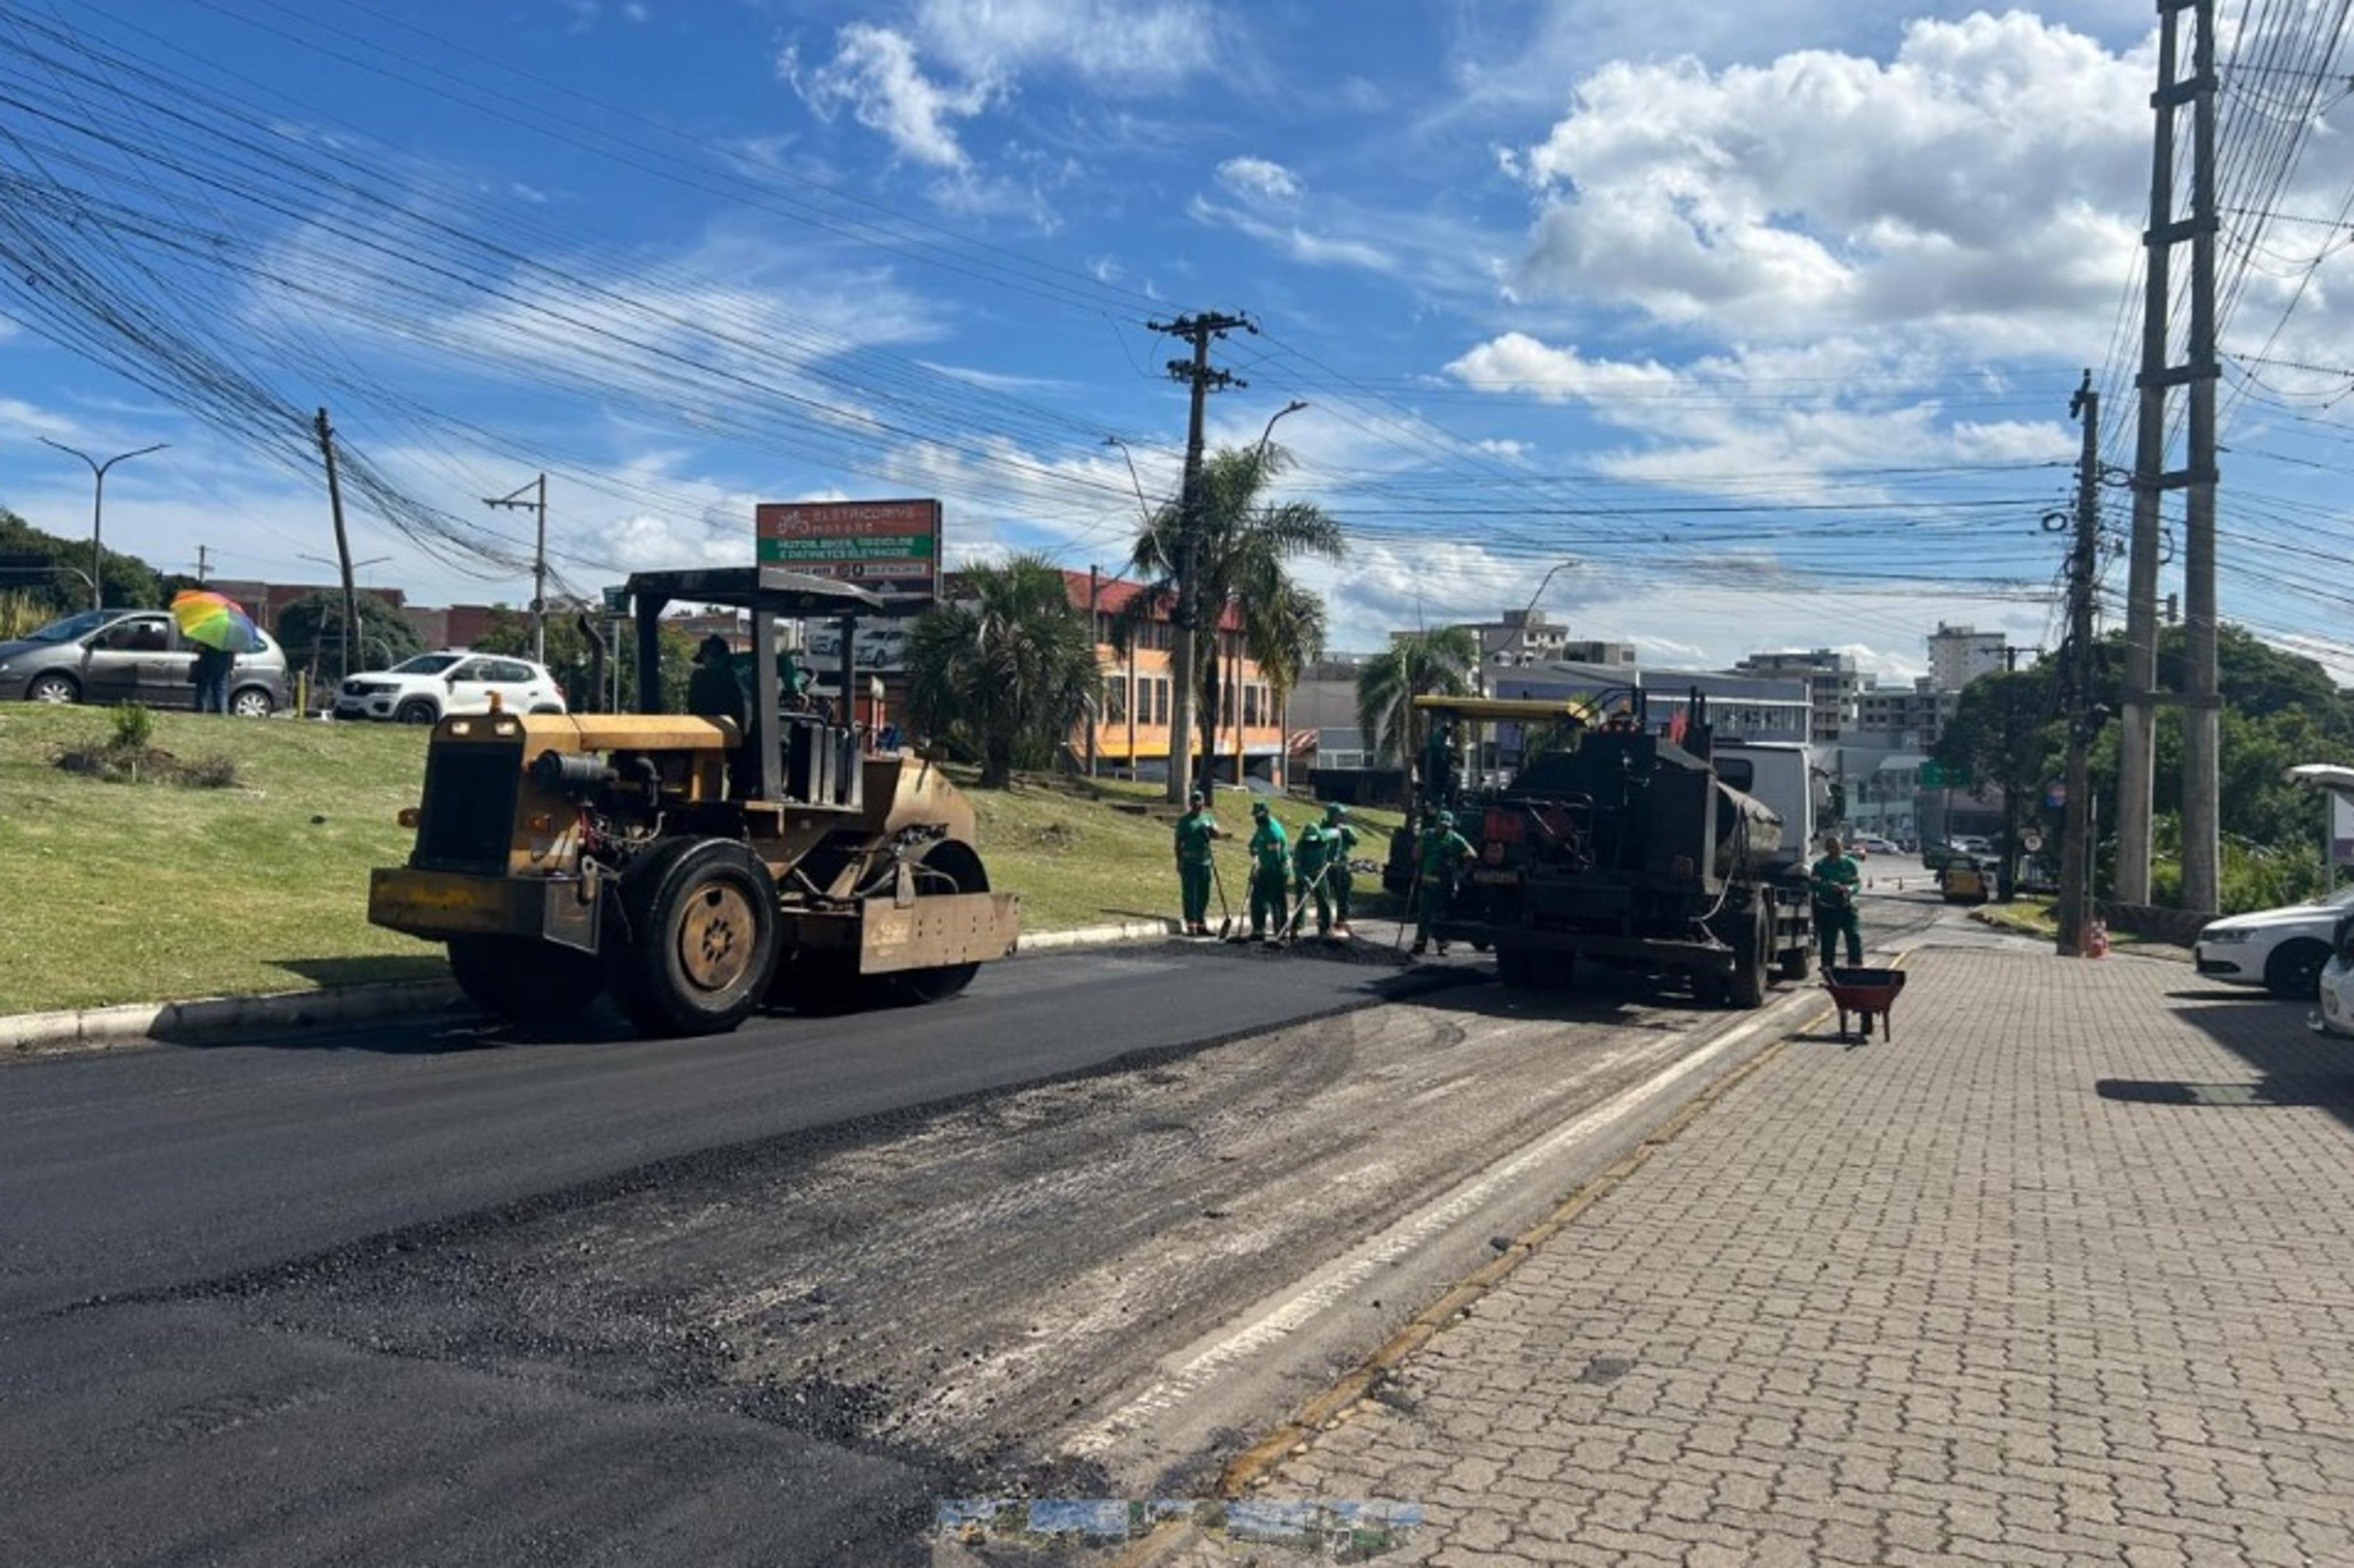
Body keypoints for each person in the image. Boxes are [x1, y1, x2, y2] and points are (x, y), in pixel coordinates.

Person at [1410, 809, 1476, 958]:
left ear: (1451, 826)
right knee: (1423, 915)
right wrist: (1418, 853)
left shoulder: (1455, 839)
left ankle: (1442, 945)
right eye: (1442, 824)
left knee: (1441, 916)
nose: (1444, 827)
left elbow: (1471, 855)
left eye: (1447, 825)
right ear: (1437, 823)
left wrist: (1461, 873)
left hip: (1443, 886)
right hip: (1427, 883)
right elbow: (1416, 854)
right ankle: (1420, 944)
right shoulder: (1427, 835)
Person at [1812, 833, 1864, 971]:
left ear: (1841, 847)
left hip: (1846, 907)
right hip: (1828, 908)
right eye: (1831, 847)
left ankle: (1855, 967)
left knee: (1854, 936)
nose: (1834, 849)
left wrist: (1849, 889)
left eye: (1837, 846)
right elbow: (1815, 884)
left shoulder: (1849, 864)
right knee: (1828, 940)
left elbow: (1857, 883)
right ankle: (1828, 968)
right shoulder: (1820, 865)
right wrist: (1830, 886)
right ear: (1827, 849)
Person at [1173, 788, 1222, 936]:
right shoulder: (1184, 821)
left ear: (1203, 803)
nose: (1197, 804)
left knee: (1204, 894)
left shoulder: (1208, 818)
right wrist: (1179, 861)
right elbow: (1178, 843)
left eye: (1199, 800)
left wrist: (1210, 830)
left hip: (1205, 861)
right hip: (1189, 862)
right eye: (1194, 801)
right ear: (1190, 803)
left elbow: (1217, 835)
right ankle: (1191, 924)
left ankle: (1201, 923)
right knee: (1190, 894)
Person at [1246, 801, 1291, 945]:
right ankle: (1258, 931)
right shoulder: (1261, 828)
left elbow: (1275, 858)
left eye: (1258, 816)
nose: (1255, 819)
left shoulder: (1273, 832)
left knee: (1276, 901)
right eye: (1255, 816)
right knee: (1257, 899)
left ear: (1266, 814)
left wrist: (1259, 871)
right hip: (1265, 868)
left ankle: (1281, 932)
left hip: (1277, 870)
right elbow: (1254, 844)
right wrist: (1253, 852)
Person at [1320, 801, 1360, 937]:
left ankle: (1341, 922)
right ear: (1332, 816)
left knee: (1343, 896)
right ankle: (1324, 924)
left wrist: (1345, 830)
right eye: (1340, 815)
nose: (1343, 818)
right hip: (1326, 867)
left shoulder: (1345, 830)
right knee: (1324, 896)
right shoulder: (1323, 828)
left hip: (1342, 867)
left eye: (1344, 815)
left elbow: (1355, 840)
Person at [189, 642, 233, 714]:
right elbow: (232, 654)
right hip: (223, 667)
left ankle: (201, 711)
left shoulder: (208, 637)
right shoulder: (228, 639)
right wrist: (231, 667)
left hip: (208, 664)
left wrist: (199, 649)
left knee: (203, 689)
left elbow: (198, 649)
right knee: (221, 691)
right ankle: (222, 712)